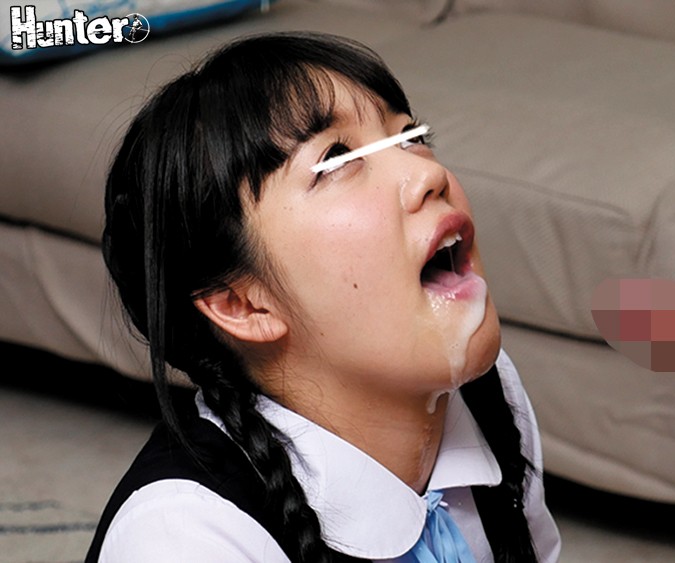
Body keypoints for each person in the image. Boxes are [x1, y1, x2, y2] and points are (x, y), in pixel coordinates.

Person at [85, 31, 561, 562]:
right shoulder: (181, 540)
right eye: (335, 159)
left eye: (410, 135)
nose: (429, 173)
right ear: (242, 303)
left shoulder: (490, 392)